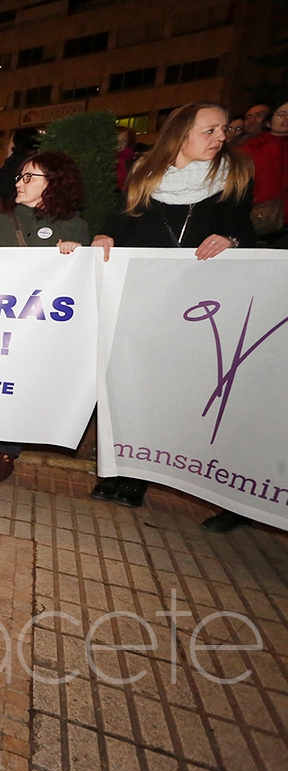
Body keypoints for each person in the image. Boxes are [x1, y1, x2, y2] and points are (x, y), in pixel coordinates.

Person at [89, 102, 255, 525]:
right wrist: (106, 233)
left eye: (223, 130)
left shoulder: (235, 173)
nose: (221, 137)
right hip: (146, 295)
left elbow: (244, 226)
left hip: (203, 302)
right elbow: (123, 217)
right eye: (210, 130)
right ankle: (126, 470)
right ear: (181, 135)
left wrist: (232, 239)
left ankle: (192, 478)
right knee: (135, 383)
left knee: (187, 390)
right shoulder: (145, 173)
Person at [0, 152, 91, 482]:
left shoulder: (75, 227)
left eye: (29, 178)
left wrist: (74, 257)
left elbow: (77, 285)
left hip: (36, 329)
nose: (19, 184)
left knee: (17, 387)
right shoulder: (1, 222)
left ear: (53, 183)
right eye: (19, 177)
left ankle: (7, 451)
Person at [240, 99, 288, 238]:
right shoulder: (251, 146)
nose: (286, 118)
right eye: (281, 114)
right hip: (261, 218)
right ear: (268, 121)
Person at [0, 127, 40, 207]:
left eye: (10, 142)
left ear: (17, 143)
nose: (7, 146)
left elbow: (4, 188)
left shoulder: (15, 162)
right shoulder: (38, 160)